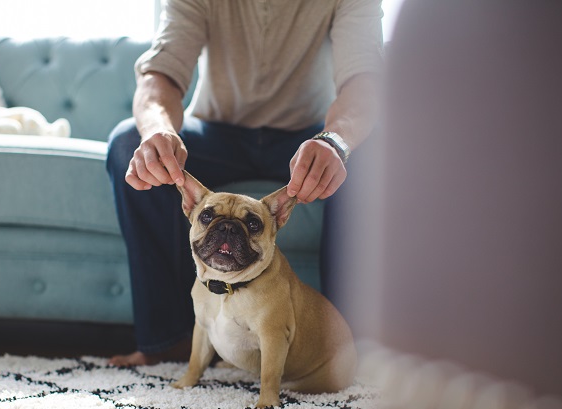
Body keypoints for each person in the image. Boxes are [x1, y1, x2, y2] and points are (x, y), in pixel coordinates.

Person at [106, 0, 384, 366]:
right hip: (214, 133)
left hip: (307, 137)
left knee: (369, 153)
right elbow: (160, 76)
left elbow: (364, 82)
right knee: (129, 141)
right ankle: (165, 342)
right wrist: (158, 130)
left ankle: (346, 350)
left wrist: (334, 140)